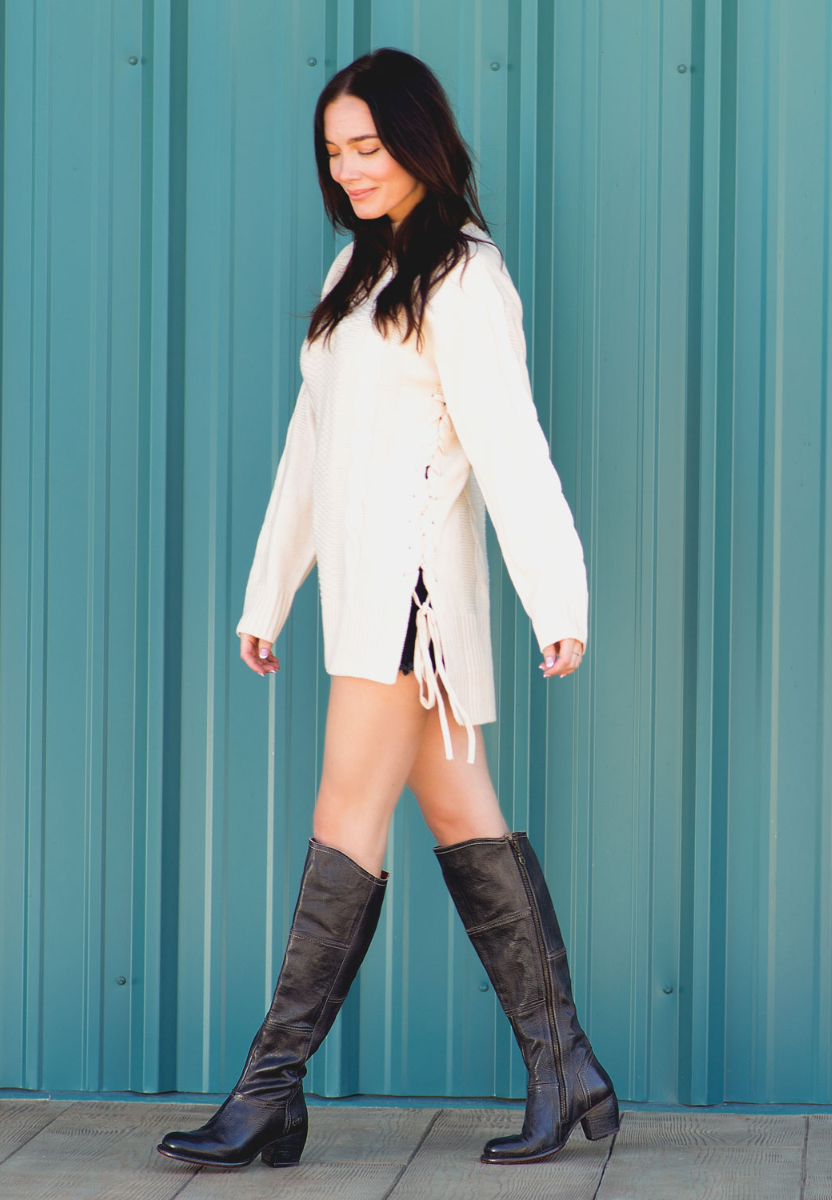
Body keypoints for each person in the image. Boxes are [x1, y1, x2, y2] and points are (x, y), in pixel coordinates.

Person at [156, 46, 616, 1171]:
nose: (349, 169)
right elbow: (307, 453)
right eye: (333, 151)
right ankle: (567, 1067)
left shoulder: (464, 275)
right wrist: (270, 591)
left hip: (410, 605)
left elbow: (511, 449)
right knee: (463, 822)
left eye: (367, 146)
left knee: (343, 818)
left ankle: (267, 1092)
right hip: (355, 598)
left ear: (417, 141)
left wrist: (556, 595)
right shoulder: (347, 276)